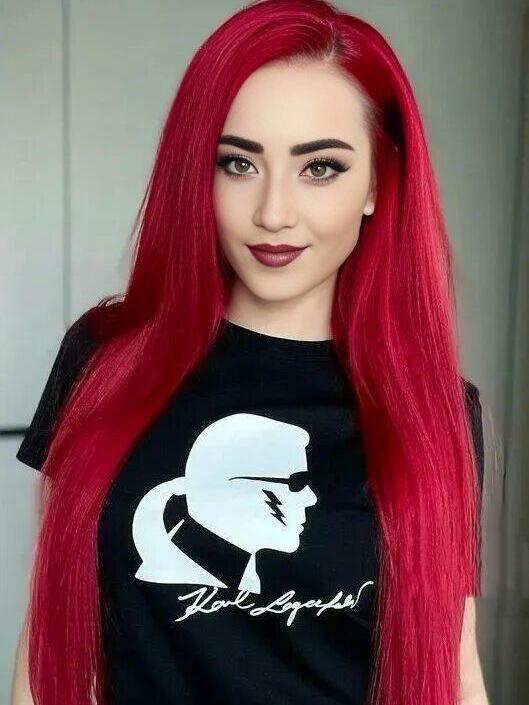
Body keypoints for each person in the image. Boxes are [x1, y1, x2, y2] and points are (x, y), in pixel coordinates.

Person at [10, 1, 489, 704]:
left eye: (319, 167)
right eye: (238, 163)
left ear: (377, 184)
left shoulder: (435, 409)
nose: (272, 213)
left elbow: (452, 668)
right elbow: (49, 643)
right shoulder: (103, 359)